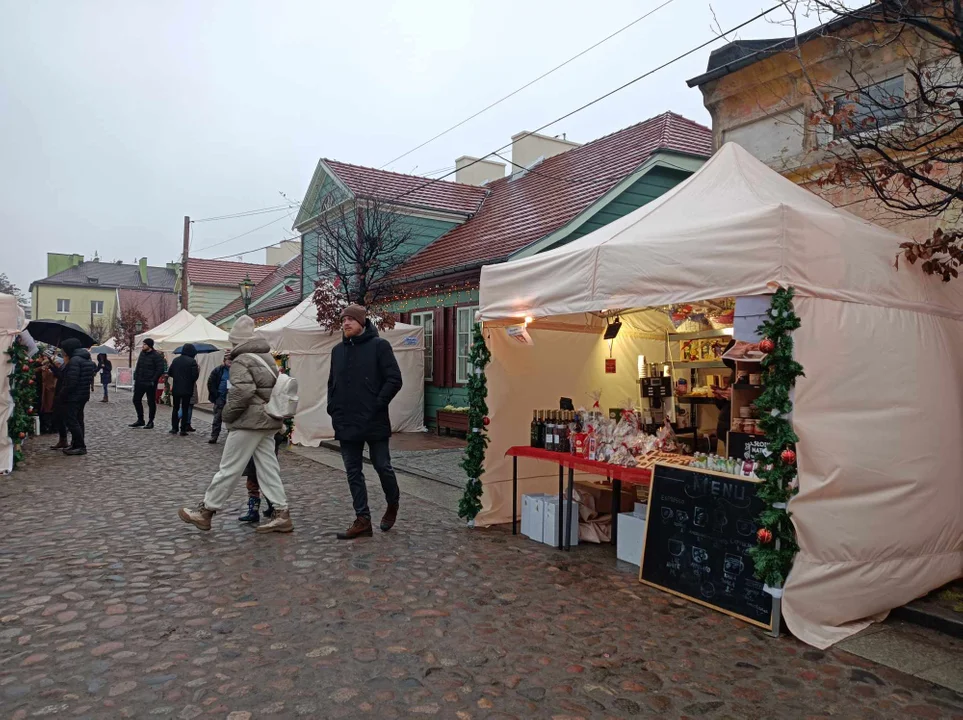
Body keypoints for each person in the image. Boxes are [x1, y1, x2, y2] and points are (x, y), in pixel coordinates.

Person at [178, 315, 293, 534]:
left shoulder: (242, 360)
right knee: (268, 470)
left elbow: (243, 392)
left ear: (237, 342)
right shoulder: (266, 357)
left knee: (229, 468)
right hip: (267, 419)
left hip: (249, 421)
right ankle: (282, 513)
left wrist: (227, 415)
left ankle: (206, 511)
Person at [327, 304, 403, 540]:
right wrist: (333, 409)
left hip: (374, 420)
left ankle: (393, 502)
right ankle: (363, 520)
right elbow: (332, 384)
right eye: (343, 320)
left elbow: (394, 379)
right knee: (353, 472)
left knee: (382, 466)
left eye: (351, 319)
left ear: (362, 322)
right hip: (346, 422)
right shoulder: (337, 351)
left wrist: (376, 404)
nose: (346, 323)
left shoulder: (380, 346)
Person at [59, 338, 96, 456]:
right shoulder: (86, 359)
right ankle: (76, 443)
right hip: (83, 395)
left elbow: (72, 382)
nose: (63, 352)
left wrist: (62, 394)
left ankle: (80, 445)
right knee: (79, 420)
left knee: (72, 421)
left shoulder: (75, 361)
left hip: (74, 396)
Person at [238, 431, 284, 523]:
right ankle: (270, 507)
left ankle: (257, 511)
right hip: (264, 440)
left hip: (259, 440)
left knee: (255, 483)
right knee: (262, 481)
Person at [131, 339, 166, 429]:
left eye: (144, 344)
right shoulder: (142, 354)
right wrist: (136, 376)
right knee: (136, 400)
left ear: (149, 345)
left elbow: (160, 369)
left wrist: (153, 380)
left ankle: (151, 421)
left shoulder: (156, 356)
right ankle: (140, 419)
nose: (143, 346)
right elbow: (138, 366)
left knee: (151, 402)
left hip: (150, 383)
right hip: (140, 381)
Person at [167, 344, 199, 436]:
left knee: (175, 408)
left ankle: (174, 428)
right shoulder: (192, 361)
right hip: (187, 388)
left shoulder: (176, 360)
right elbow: (195, 376)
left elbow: (170, 373)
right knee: (185, 409)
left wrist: (178, 378)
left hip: (177, 387)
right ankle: (183, 429)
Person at [712, 338, 737, 455]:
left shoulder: (750, 372)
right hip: (727, 425)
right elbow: (723, 406)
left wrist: (734, 396)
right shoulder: (734, 373)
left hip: (734, 427)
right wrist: (720, 397)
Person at [207, 354, 231, 444]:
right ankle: (214, 436)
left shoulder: (236, 370)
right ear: (224, 361)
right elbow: (211, 382)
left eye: (232, 361)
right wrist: (215, 394)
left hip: (232, 398)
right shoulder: (218, 370)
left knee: (231, 418)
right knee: (217, 417)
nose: (230, 363)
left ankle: (231, 437)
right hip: (220, 397)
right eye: (229, 361)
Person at [47, 351, 69, 450]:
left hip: (63, 394)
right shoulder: (65, 365)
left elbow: (62, 377)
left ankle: (65, 440)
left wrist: (53, 366)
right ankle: (62, 440)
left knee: (63, 418)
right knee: (58, 418)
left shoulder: (69, 365)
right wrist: (52, 365)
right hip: (59, 393)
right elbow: (59, 374)